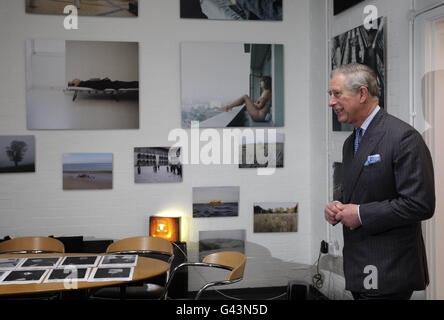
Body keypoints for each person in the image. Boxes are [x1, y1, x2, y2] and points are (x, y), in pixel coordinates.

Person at [324, 63, 435, 300]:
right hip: (360, 267)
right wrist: (338, 207)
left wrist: (361, 214)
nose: (331, 102)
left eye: (337, 94)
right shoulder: (350, 142)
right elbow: (359, 193)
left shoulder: (404, 138)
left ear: (362, 94)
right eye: (330, 95)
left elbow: (420, 204)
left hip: (389, 271)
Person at [68, 78, 139, 91]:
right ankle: (138, 84)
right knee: (127, 84)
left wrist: (103, 80)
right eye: (75, 80)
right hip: (111, 85)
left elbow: (96, 83)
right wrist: (106, 81)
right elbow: (99, 86)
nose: (77, 78)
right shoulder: (84, 84)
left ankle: (138, 84)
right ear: (75, 84)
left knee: (127, 84)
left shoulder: (84, 82)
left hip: (110, 83)